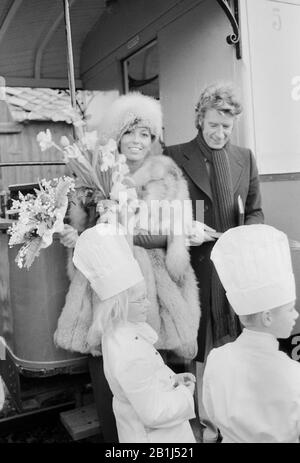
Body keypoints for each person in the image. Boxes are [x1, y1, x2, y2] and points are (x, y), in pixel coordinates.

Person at [55, 92, 200, 361]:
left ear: (153, 139)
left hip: (156, 283)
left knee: (152, 358)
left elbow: (177, 234)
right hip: (107, 281)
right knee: (111, 355)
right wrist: (76, 239)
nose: (137, 141)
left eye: (145, 134)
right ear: (117, 136)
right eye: (129, 132)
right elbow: (86, 232)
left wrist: (123, 233)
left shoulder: (167, 173)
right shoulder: (95, 173)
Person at [164, 82, 264, 440]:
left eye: (227, 126)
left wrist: (247, 234)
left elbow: (255, 210)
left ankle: (232, 418)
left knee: (235, 346)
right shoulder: (175, 156)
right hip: (197, 268)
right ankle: (207, 425)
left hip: (234, 270)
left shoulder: (245, 157)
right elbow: (160, 213)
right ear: (199, 121)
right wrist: (181, 229)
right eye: (213, 126)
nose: (220, 133)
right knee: (202, 350)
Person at [72, 222, 196, 443]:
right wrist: (186, 394)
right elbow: (154, 413)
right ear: (118, 305)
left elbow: (143, 384)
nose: (148, 303)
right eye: (140, 300)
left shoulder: (118, 333)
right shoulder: (131, 352)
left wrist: (171, 379)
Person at [203, 224, 300, 443]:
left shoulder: (217, 358)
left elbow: (211, 411)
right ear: (267, 317)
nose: (295, 315)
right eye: (289, 309)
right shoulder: (293, 374)